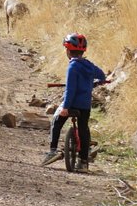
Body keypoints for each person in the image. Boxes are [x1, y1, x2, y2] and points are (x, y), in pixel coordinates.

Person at [47, 33, 111, 165]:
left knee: (56, 121)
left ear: (68, 51)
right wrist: (96, 82)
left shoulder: (72, 67)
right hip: (85, 106)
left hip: (72, 104)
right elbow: (102, 76)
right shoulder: (89, 65)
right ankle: (83, 161)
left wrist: (65, 107)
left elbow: (71, 90)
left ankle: (52, 151)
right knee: (83, 128)